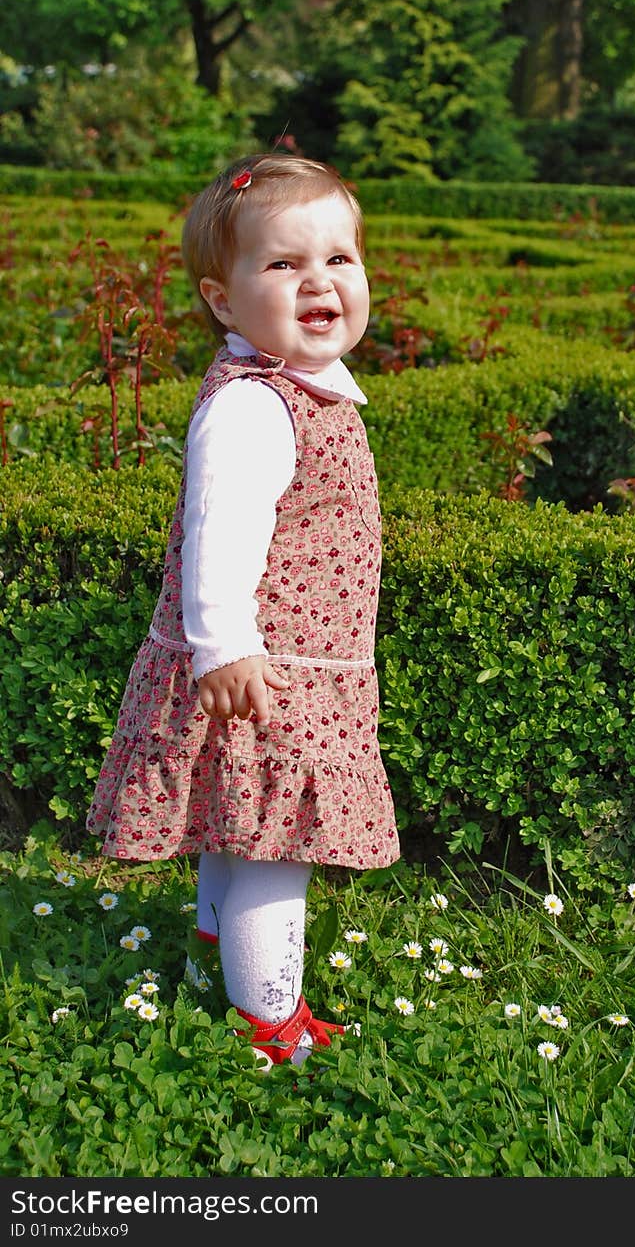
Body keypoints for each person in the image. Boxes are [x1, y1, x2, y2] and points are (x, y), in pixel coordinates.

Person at [87, 153, 400, 1068]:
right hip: (267, 669)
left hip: (296, 664)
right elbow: (217, 532)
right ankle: (269, 1026)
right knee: (273, 846)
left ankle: (220, 954)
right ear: (223, 302)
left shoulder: (307, 389)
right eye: (284, 264)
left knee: (240, 817)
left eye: (340, 258)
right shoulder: (256, 407)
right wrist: (222, 641)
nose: (321, 282)